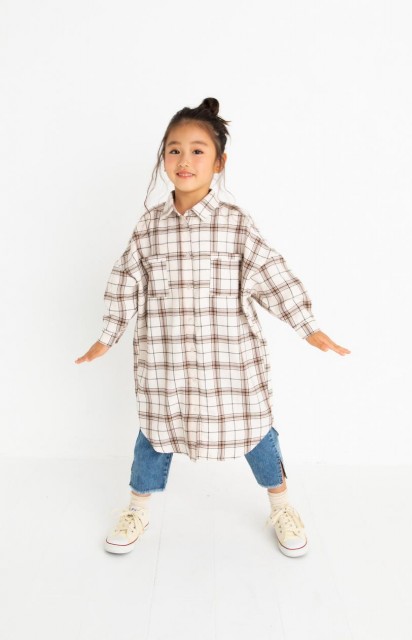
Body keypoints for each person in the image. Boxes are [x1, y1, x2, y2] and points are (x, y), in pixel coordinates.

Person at [75, 97, 351, 558]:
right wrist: (108, 335)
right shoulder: (149, 227)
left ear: (219, 162)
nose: (184, 160)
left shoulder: (235, 224)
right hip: (166, 363)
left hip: (229, 365)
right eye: (174, 150)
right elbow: (126, 281)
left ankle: (282, 505)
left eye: (197, 151)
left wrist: (307, 325)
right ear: (164, 158)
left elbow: (271, 273)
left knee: (256, 432)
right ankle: (137, 508)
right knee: (155, 434)